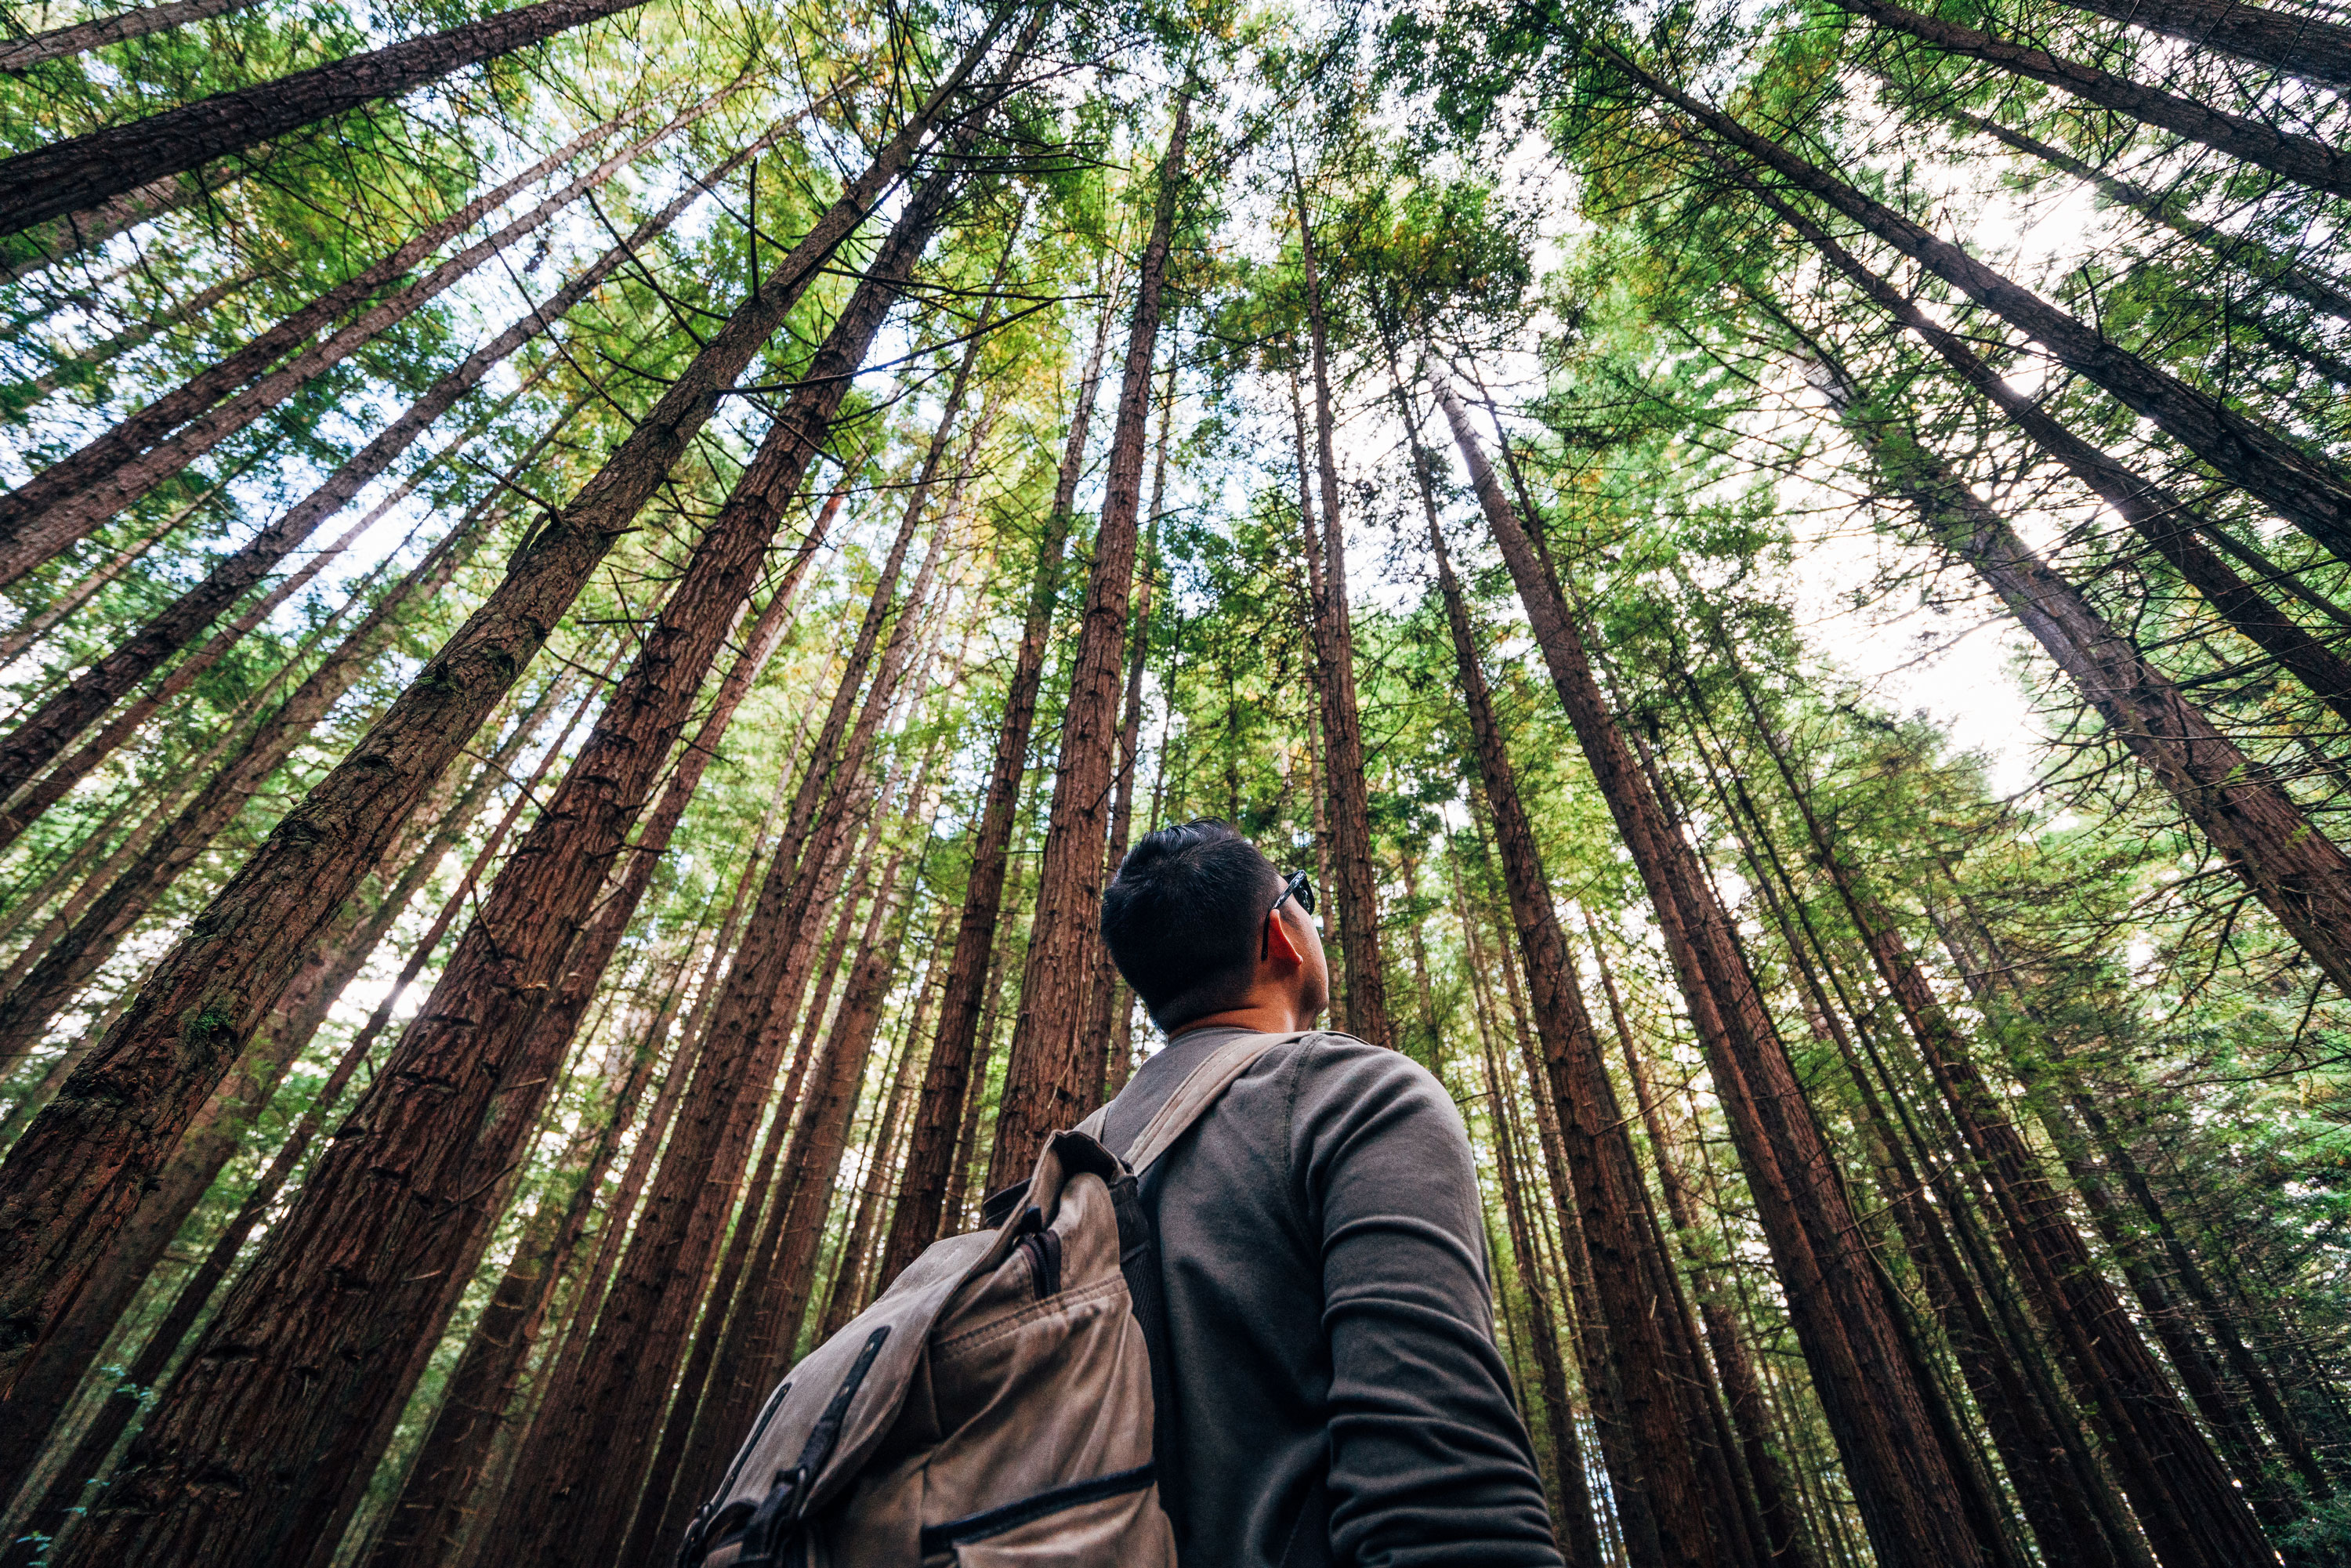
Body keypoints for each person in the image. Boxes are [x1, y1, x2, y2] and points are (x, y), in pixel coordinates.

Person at [1095, 819, 1564, 1567]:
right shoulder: (1360, 1096)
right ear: (1279, 934)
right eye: (1300, 897)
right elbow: (1445, 1507)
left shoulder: (1072, 1160)